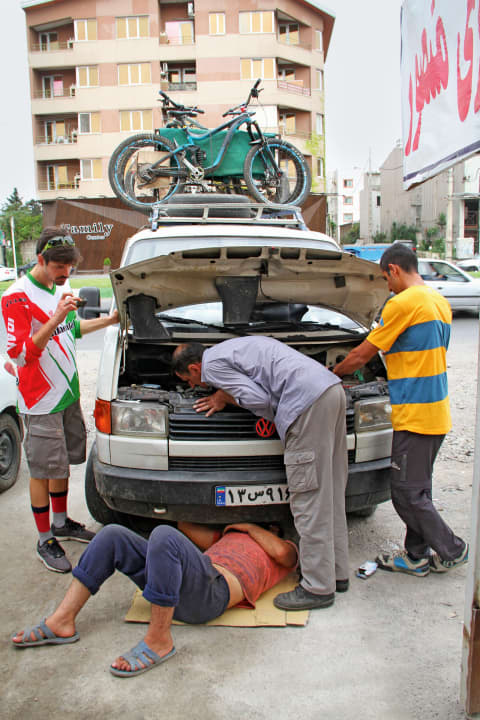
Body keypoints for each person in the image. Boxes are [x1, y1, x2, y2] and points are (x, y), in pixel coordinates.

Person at [171, 336, 349, 611]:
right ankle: (336, 574)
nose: (193, 386)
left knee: (308, 499)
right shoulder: (229, 349)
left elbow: (259, 399)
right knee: (331, 492)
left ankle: (317, 588)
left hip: (304, 404)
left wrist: (223, 396)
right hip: (330, 391)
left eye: (190, 381)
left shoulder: (213, 367)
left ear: (195, 368)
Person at [11, 521, 298, 678]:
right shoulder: (225, 535)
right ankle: (62, 620)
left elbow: (285, 554)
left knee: (164, 537)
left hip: (213, 594)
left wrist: (248, 526)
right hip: (184, 582)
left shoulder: (281, 550)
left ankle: (159, 639)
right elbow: (184, 525)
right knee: (112, 534)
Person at [333, 244, 468, 577]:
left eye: (384, 278)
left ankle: (452, 550)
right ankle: (415, 555)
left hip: (416, 415)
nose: (386, 286)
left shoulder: (403, 303)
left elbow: (362, 355)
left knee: (406, 493)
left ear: (393, 269)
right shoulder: (438, 301)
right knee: (418, 488)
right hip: (436, 411)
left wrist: (330, 374)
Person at [1, 227, 119, 573]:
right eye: (58, 270)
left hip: (66, 391)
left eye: (69, 271)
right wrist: (54, 316)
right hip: (40, 400)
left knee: (63, 463)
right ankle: (44, 540)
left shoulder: (61, 287)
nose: (65, 276)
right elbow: (21, 355)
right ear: (41, 260)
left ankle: (61, 521)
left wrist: (108, 320)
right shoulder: (16, 298)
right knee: (42, 470)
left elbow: (72, 329)